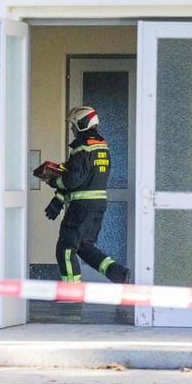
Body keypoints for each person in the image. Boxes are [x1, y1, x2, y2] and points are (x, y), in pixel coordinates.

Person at [44, 106, 131, 284]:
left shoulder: (83, 148)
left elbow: (72, 180)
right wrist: (58, 199)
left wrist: (54, 181)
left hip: (81, 208)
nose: (72, 129)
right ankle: (117, 273)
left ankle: (71, 291)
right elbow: (83, 178)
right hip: (97, 207)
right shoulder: (102, 146)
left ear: (82, 124)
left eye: (74, 125)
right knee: (84, 246)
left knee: (66, 248)